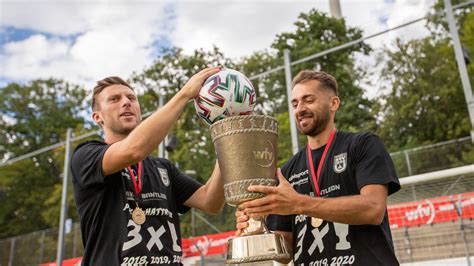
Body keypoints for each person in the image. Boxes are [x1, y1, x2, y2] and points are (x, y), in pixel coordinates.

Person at [236, 70, 401, 265]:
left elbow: (373, 209)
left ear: (334, 103)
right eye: (295, 104)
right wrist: (257, 227)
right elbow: (285, 252)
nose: (300, 109)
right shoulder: (287, 171)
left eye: (309, 100)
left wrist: (298, 203)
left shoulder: (363, 145)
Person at [70, 67, 225, 265]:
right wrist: (185, 94)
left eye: (131, 98)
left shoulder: (163, 168)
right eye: (114, 99)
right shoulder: (85, 155)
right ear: (97, 117)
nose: (126, 102)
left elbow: (211, 201)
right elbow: (134, 150)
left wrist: (225, 139)